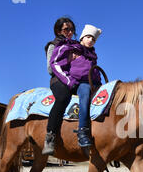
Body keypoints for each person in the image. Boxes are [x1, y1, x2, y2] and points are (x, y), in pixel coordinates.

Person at [42, 24, 102, 155]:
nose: (91, 40)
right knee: (79, 96)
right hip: (72, 82)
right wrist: (70, 81)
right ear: (81, 38)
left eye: (94, 39)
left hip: (88, 83)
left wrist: (100, 85)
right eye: (88, 37)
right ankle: (82, 131)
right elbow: (55, 64)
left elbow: (94, 74)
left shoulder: (92, 56)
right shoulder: (69, 47)